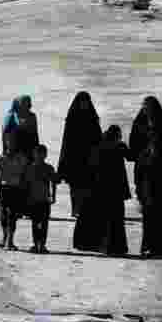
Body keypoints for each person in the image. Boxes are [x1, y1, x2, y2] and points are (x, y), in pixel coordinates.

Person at [129, 96, 162, 256]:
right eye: (145, 107)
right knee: (149, 212)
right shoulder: (140, 125)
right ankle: (150, 245)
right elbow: (134, 149)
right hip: (147, 178)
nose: (147, 111)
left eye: (149, 108)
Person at [57, 91, 103, 226]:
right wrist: (64, 160)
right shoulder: (72, 119)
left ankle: (85, 209)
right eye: (82, 102)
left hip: (89, 157)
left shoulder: (93, 118)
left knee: (88, 185)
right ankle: (75, 209)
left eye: (86, 101)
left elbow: (98, 138)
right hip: (74, 157)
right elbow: (66, 141)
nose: (84, 104)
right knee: (75, 186)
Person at [88, 125, 132, 256]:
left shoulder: (100, 146)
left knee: (106, 218)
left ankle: (106, 247)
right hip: (117, 188)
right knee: (117, 219)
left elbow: (92, 164)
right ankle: (118, 247)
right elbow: (131, 156)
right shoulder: (120, 146)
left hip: (103, 187)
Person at [0, 132, 30, 250]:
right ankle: (4, 237)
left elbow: (25, 175)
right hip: (4, 189)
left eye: (13, 141)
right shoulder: (2, 157)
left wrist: (25, 191)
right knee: (2, 216)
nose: (11, 144)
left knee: (12, 216)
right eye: (9, 141)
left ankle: (10, 240)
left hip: (16, 189)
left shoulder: (22, 158)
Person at [24, 144, 57, 254]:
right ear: (34, 154)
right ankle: (35, 244)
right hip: (33, 199)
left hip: (44, 199)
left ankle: (42, 244)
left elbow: (53, 183)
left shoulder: (49, 168)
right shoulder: (30, 168)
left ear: (45, 155)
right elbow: (26, 184)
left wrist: (53, 196)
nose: (39, 156)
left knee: (44, 223)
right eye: (37, 154)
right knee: (34, 223)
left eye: (42, 154)